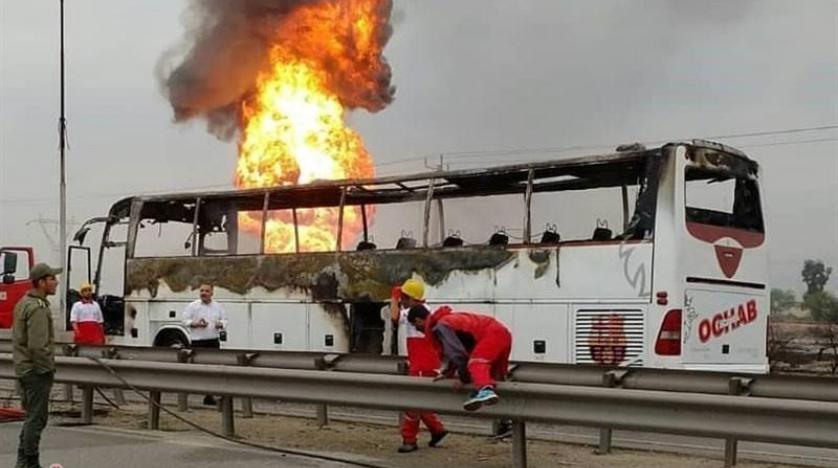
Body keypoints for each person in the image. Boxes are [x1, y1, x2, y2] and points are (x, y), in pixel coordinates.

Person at [408, 305, 512, 411]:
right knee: (496, 376)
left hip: (491, 334)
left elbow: (457, 354)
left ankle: (485, 391)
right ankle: (504, 415)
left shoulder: (441, 326)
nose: (417, 330)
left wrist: (464, 379)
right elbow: (460, 348)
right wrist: (448, 372)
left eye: (414, 325)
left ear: (418, 320)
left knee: (476, 363)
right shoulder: (446, 320)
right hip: (501, 333)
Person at [13, 263, 61, 468]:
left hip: (23, 368)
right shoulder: (37, 308)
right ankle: (30, 462)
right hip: (35, 371)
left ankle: (23, 461)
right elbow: (37, 345)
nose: (56, 282)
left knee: (31, 417)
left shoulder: (23, 303)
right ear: (41, 282)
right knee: (36, 418)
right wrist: (46, 369)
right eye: (52, 279)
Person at [391, 278, 448, 453]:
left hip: (421, 363)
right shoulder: (426, 310)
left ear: (411, 298)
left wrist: (393, 297)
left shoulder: (411, 313)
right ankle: (437, 430)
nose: (402, 300)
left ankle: (410, 439)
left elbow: (394, 317)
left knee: (412, 402)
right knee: (419, 400)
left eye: (404, 297)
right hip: (429, 362)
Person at [182, 283, 228, 405]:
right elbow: (184, 320)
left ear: (212, 293)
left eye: (206, 291)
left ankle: (209, 396)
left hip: (213, 341)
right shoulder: (193, 306)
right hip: (198, 342)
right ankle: (191, 395)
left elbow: (225, 320)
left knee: (213, 370)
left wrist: (221, 324)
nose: (203, 293)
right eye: (201, 291)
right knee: (199, 371)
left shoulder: (218, 306)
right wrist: (195, 323)